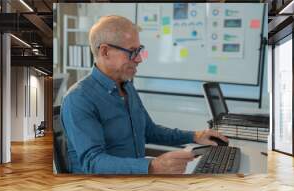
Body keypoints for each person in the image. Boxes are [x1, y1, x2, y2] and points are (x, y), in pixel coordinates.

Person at [61, 15, 228, 174]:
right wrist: (152, 167)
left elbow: (149, 131)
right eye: (132, 51)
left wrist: (195, 136)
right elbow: (93, 162)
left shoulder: (127, 87)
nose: (139, 59)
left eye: (139, 50)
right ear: (105, 52)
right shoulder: (79, 99)